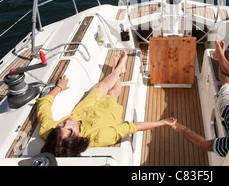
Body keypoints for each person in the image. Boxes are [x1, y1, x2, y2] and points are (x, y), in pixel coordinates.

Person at [36, 51, 175, 157]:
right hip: (105, 114)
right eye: (71, 130)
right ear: (78, 139)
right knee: (113, 93)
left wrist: (59, 88)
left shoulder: (49, 131)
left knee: (102, 85)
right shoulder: (98, 137)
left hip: (83, 109)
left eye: (61, 125)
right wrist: (162, 122)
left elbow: (43, 104)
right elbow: (131, 127)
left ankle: (118, 69)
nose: (68, 122)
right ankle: (118, 69)